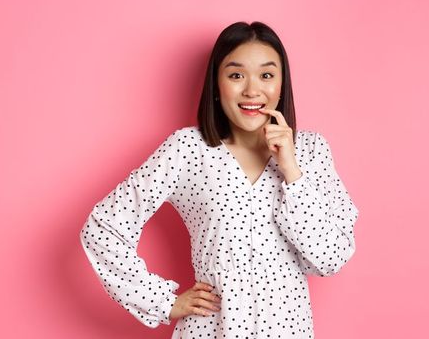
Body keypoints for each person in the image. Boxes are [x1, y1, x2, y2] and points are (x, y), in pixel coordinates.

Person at [79, 21, 360, 338]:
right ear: (216, 85)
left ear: (282, 85)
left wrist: (291, 171)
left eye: (266, 75)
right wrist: (162, 301)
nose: (252, 90)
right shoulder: (188, 149)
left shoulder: (310, 151)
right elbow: (104, 227)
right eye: (236, 75)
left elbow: (331, 257)